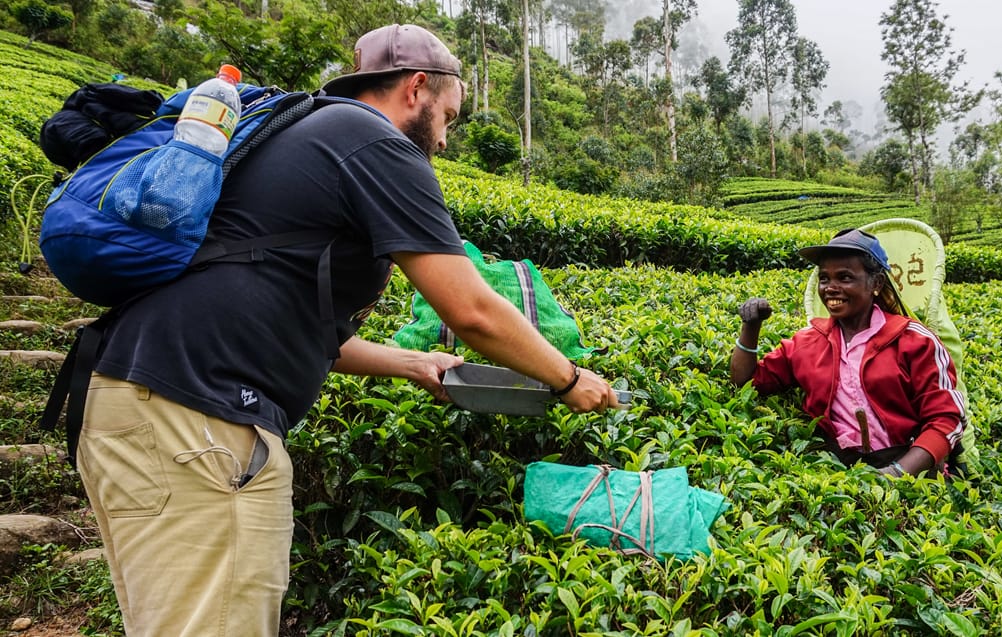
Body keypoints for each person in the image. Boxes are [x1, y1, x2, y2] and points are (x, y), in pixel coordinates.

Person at [76, 24, 619, 637]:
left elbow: (295, 324)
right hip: (201, 422)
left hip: (142, 401)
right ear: (418, 89)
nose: (444, 138)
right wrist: (570, 379)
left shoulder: (313, 134)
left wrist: (413, 363)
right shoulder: (373, 141)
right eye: (450, 115)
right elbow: (472, 310)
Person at [729, 228, 966, 479]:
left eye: (844, 278)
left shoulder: (914, 340)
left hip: (910, 466)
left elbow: (945, 419)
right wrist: (751, 327)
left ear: (876, 284)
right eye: (824, 279)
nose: (831, 288)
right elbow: (746, 383)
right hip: (839, 467)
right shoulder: (808, 342)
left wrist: (897, 473)